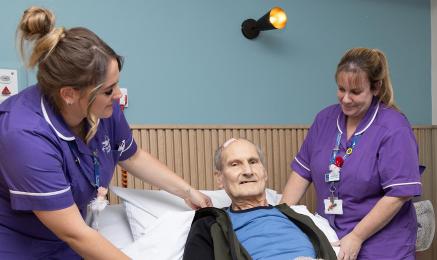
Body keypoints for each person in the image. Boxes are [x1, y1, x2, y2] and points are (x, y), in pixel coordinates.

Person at [0, 6, 211, 259]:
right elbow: (75, 234)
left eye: (117, 84)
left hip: (72, 233)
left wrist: (187, 191)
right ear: (69, 94)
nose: (118, 95)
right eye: (109, 90)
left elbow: (131, 156)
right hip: (20, 242)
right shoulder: (25, 135)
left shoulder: (101, 110)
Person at [281, 47, 422, 260]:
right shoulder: (324, 120)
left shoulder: (394, 127)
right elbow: (302, 173)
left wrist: (357, 236)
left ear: (376, 87)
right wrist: (280, 220)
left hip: (382, 244)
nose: (346, 99)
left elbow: (398, 194)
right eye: (341, 89)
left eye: (355, 92)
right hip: (331, 238)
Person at [183, 138, 337, 260]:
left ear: (264, 172)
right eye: (235, 164)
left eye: (253, 162)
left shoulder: (299, 217)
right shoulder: (209, 224)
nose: (248, 171)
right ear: (220, 178)